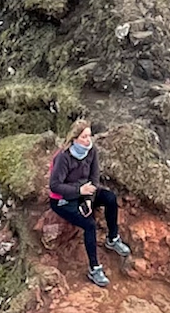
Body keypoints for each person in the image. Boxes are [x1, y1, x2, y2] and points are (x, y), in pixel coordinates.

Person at [47, 121, 131, 286]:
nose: (88, 140)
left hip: (85, 192)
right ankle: (94, 269)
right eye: (84, 137)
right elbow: (55, 185)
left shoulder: (91, 151)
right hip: (62, 199)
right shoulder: (63, 157)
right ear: (74, 139)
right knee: (89, 225)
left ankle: (112, 239)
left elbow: (94, 178)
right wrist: (79, 191)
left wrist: (87, 200)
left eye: (89, 135)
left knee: (110, 198)